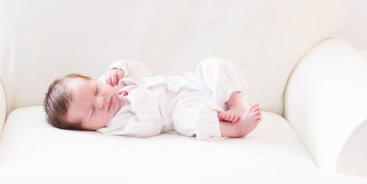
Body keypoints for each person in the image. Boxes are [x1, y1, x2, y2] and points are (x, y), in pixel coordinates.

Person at [44, 57, 262, 140]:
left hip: (191, 83)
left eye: (94, 90)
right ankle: (235, 128)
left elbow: (144, 71)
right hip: (181, 107)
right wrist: (138, 97)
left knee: (211, 65)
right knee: (186, 121)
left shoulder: (111, 81)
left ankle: (234, 102)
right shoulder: (116, 124)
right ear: (89, 129)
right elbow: (152, 125)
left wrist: (121, 68)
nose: (100, 101)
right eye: (92, 112)